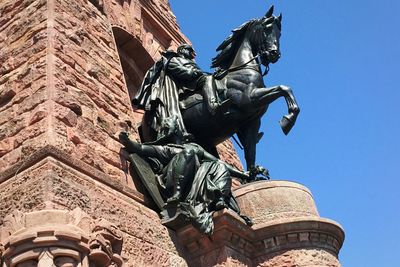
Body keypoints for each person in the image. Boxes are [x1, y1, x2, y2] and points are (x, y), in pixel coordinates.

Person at [119, 116, 251, 235]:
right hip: (171, 183)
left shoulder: (195, 148)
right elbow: (141, 148)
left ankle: (218, 199)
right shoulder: (167, 149)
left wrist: (243, 175)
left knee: (219, 166)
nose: (164, 127)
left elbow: (218, 162)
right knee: (189, 153)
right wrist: (127, 141)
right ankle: (177, 196)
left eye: (167, 124)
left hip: (196, 184)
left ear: (176, 129)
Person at [132, 44, 228, 140]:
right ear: (182, 50)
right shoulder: (172, 59)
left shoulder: (188, 62)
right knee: (207, 79)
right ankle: (212, 105)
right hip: (174, 90)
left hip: (189, 86)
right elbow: (183, 72)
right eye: (190, 50)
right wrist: (193, 72)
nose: (193, 53)